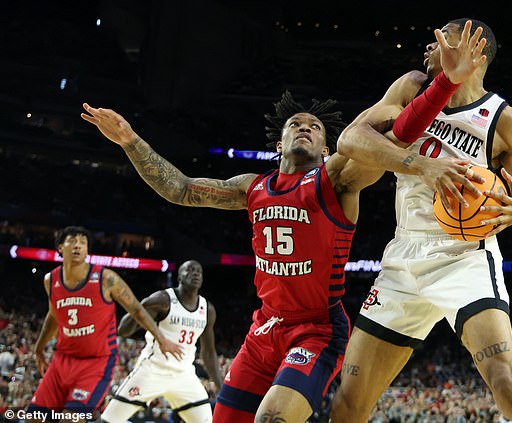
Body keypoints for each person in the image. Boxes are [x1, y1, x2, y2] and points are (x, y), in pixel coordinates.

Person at [79, 43, 486, 421]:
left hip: (316, 330)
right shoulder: (251, 186)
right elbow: (181, 189)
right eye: (295, 124)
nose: (305, 127)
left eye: (315, 127)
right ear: (280, 141)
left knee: (272, 418)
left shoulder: (337, 179)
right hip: (264, 329)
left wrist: (443, 85)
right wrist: (130, 141)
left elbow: (397, 135)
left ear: (328, 149)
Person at [329, 18, 512, 422]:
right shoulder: (412, 87)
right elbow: (350, 140)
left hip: (465, 256)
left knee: (506, 384)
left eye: (442, 38)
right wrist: (421, 166)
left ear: (476, 51)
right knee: (348, 404)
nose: (429, 46)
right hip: (403, 256)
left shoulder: (507, 121)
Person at [25, 226, 183, 423]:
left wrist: (161, 339)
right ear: (60, 247)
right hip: (61, 360)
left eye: (83, 243)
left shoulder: (106, 279)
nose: (78, 245)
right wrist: (39, 348)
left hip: (96, 363)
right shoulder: (51, 280)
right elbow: (53, 315)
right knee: (33, 418)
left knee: (70, 419)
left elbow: (136, 309)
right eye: (72, 241)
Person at [101, 260, 222, 422]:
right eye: (190, 270)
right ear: (179, 276)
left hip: (184, 375)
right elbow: (123, 330)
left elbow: (208, 351)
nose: (196, 274)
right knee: (108, 420)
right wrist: (141, 307)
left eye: (199, 271)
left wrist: (221, 386)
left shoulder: (207, 309)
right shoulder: (163, 300)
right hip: (152, 370)